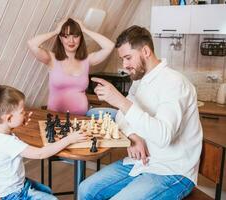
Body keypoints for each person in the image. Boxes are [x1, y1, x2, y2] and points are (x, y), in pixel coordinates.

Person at [78, 25, 203, 200]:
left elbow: (163, 136)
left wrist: (120, 100)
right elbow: (122, 116)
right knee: (85, 189)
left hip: (172, 171)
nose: (125, 65)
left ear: (145, 51)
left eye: (128, 58)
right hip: (141, 163)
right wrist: (133, 136)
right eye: (122, 59)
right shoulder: (140, 81)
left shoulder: (174, 83)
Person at [0, 85, 87, 200]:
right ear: (9, 119)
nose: (25, 113)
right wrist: (69, 139)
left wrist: (18, 121)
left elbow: (7, 128)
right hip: (12, 194)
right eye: (22, 112)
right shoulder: (8, 143)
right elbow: (40, 154)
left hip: (2, 187)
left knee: (47, 191)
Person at [27, 18, 114, 115]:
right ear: (60, 38)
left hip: (81, 118)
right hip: (56, 118)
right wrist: (55, 31)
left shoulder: (87, 60)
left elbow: (109, 46)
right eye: (66, 36)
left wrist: (85, 30)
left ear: (80, 38)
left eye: (76, 36)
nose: (71, 40)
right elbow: (32, 44)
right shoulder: (51, 59)